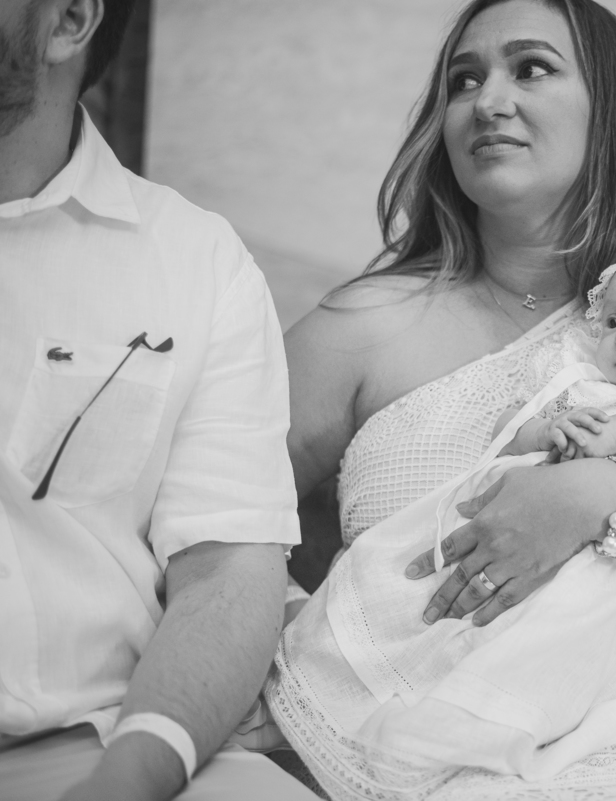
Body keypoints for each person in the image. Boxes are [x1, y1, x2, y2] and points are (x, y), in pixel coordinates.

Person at [277, 0, 616, 798]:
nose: (487, 101)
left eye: (531, 68)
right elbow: (213, 519)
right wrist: (307, 668)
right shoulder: (362, 326)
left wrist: (595, 493)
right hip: (399, 739)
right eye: (463, 80)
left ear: (607, 110)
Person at [273, 226, 616, 781]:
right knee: (422, 591)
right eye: (613, 321)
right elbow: (510, 425)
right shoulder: (580, 384)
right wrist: (546, 430)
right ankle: (351, 685)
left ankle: (486, 721)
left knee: (558, 637)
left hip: (611, 576)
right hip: (503, 544)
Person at [0, 1, 321, 799]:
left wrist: (131, 775)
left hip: (107, 739)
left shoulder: (198, 261)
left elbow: (225, 573)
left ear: (69, 20)